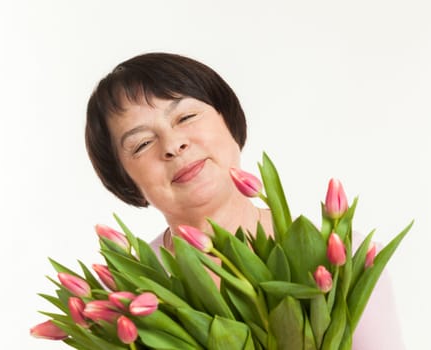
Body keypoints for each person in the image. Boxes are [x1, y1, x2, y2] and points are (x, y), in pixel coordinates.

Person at [85, 52, 404, 349]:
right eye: (141, 144)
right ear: (124, 177)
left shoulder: (341, 259)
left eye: (186, 117)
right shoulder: (128, 294)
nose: (173, 145)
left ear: (228, 120)